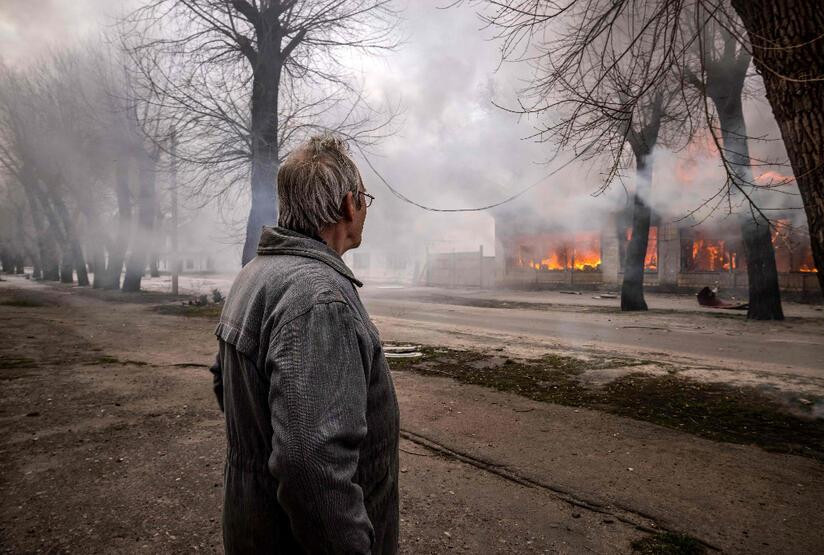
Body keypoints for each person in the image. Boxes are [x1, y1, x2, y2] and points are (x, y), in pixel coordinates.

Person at [209, 134, 399, 554]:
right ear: (350, 204)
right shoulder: (319, 299)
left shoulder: (254, 275)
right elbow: (311, 464)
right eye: (364, 198)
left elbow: (224, 383)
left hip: (252, 524)